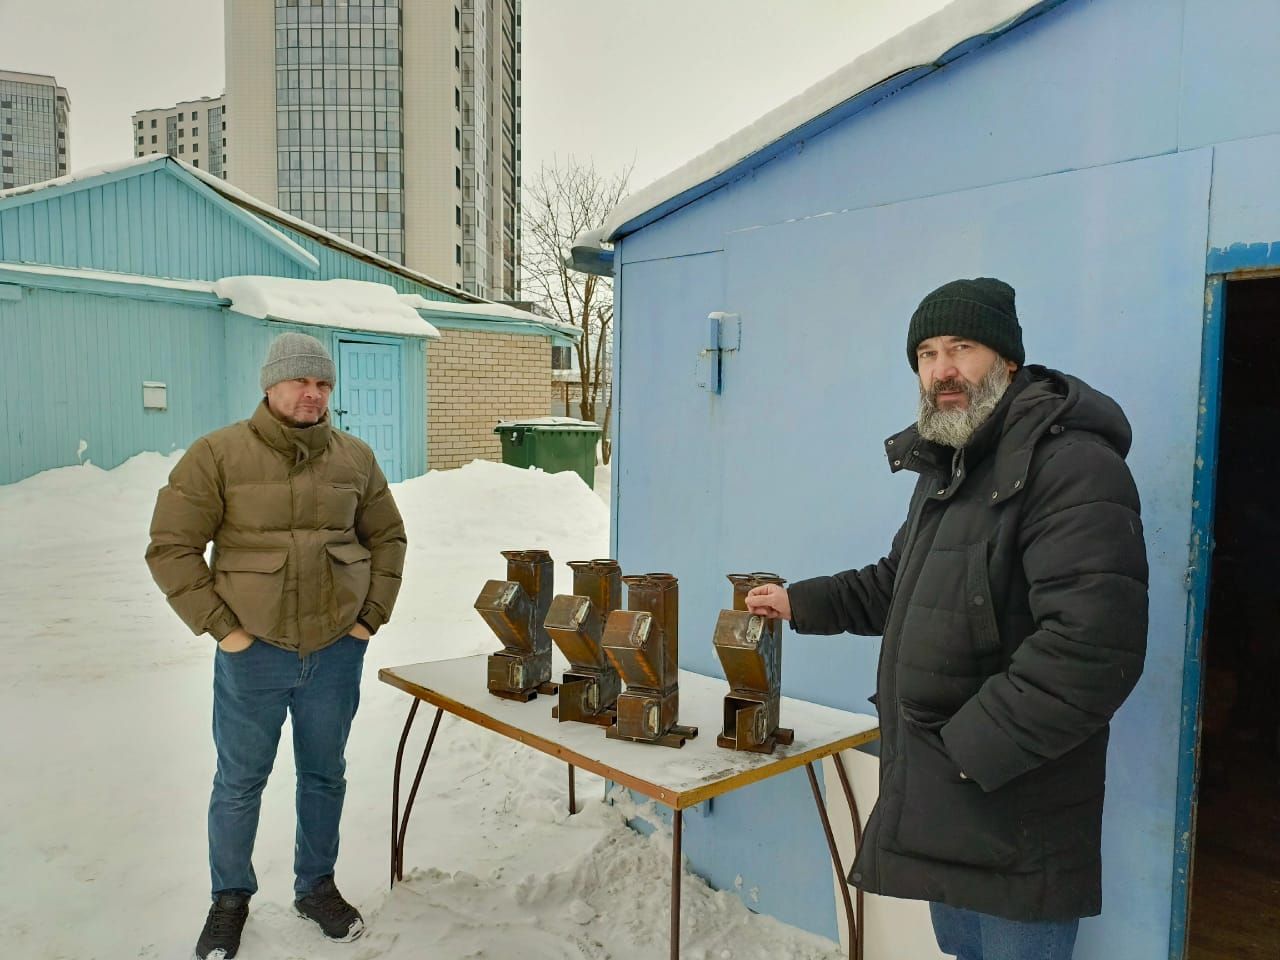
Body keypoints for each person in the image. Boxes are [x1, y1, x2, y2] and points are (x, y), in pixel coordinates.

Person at [746, 279, 1148, 960]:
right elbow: (898, 584)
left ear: (1008, 362)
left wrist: (963, 753)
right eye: (927, 354)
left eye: (962, 348)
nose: (943, 370)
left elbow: (1091, 650)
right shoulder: (951, 469)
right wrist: (798, 600)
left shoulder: (1072, 467)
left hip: (1015, 815)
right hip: (948, 803)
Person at [146, 332, 407, 959]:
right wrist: (224, 630)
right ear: (271, 386)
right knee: (240, 781)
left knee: (324, 776)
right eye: (301, 382)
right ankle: (229, 898)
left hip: (335, 650)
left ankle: (316, 885)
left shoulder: (355, 458)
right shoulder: (217, 455)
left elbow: (389, 538)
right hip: (254, 652)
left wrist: (369, 618)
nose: (313, 394)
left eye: (323, 384)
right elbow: (171, 548)